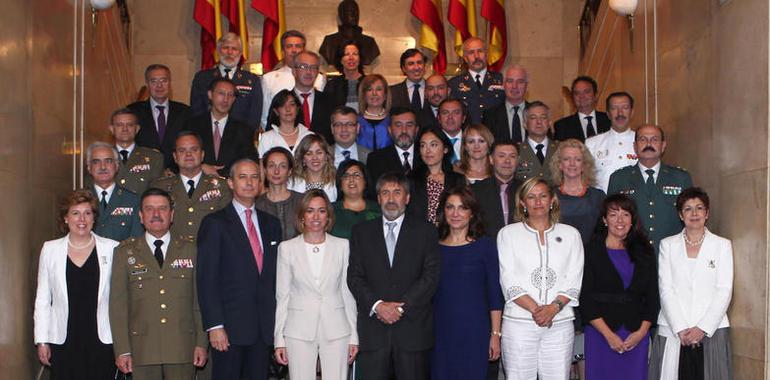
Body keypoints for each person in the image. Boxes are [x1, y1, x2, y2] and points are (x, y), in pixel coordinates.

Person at [347, 172, 441, 380]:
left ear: (407, 198)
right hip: (374, 332)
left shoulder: (426, 231)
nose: (391, 199)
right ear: (378, 198)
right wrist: (378, 305)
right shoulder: (361, 232)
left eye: (397, 192)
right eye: (385, 193)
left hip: (413, 332)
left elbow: (431, 276)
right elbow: (354, 277)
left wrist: (401, 307)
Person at [197, 159, 283, 379]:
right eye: (242, 177)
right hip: (229, 330)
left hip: (264, 329)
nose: (249, 182)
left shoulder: (271, 224)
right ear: (231, 183)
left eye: (255, 177)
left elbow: (274, 278)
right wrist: (215, 325)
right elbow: (207, 279)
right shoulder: (215, 223)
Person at [110, 188, 208, 378]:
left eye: (162, 208)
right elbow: (118, 306)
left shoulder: (190, 250)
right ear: (140, 216)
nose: (156, 214)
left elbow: (199, 302)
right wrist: (122, 350)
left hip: (182, 347)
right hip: (142, 349)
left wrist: (201, 343)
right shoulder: (124, 252)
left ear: (171, 215)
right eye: (149, 209)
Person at [497, 177, 584, 379]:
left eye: (543, 196)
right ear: (522, 203)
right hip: (519, 323)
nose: (538, 202)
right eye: (531, 197)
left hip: (559, 323)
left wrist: (553, 309)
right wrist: (537, 311)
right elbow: (508, 278)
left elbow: (574, 278)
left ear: (552, 200)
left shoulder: (571, 234)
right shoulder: (508, 234)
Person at [273, 190, 359, 380]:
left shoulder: (343, 246)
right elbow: (283, 296)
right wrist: (279, 340)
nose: (316, 216)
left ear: (328, 216)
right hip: (298, 330)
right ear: (302, 215)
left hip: (337, 329)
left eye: (321, 211)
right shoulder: (287, 249)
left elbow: (348, 293)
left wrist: (354, 335)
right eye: (310, 211)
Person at [34, 190, 119, 379]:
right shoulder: (50, 249)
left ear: (94, 218)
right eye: (75, 213)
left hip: (101, 338)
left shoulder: (112, 248)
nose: (82, 219)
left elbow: (120, 299)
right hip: (63, 338)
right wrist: (42, 340)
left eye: (87, 213)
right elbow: (42, 299)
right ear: (65, 218)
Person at [649, 187, 733, 379]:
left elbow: (724, 289)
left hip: (711, 330)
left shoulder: (722, 245)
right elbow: (666, 289)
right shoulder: (668, 245)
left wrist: (702, 328)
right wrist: (680, 327)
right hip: (675, 330)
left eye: (699, 208)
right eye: (687, 209)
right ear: (680, 214)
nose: (694, 213)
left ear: (707, 213)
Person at [579, 194, 658, 380]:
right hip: (600, 333)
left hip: (635, 334)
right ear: (605, 220)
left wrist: (641, 333)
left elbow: (653, 296)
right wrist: (608, 335)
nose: (620, 220)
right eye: (613, 215)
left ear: (633, 220)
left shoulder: (645, 251)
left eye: (625, 214)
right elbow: (585, 298)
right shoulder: (590, 250)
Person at [431, 186, 503, 379]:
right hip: (439, 331)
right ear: (443, 211)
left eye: (462, 208)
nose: (456, 213)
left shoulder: (485, 246)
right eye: (450, 207)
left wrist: (495, 334)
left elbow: (494, 294)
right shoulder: (432, 247)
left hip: (475, 331)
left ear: (471, 213)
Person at [607, 124, 693, 249]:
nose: (648, 144)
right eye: (643, 139)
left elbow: (690, 220)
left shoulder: (681, 178)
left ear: (663, 146)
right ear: (635, 146)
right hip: (632, 255)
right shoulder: (619, 178)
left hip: (670, 254)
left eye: (654, 139)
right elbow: (611, 221)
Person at [150, 131, 233, 241]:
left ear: (202, 155)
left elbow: (228, 227)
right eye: (182, 150)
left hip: (210, 252)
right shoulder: (160, 187)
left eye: (194, 150)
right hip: (172, 254)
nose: (188, 154)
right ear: (175, 157)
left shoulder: (222, 187)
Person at [184, 77, 258, 177]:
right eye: (221, 93)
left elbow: (249, 160)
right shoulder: (192, 125)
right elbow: (181, 154)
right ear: (210, 95)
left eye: (230, 95)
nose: (225, 99)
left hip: (230, 185)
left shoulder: (244, 130)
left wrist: (219, 174)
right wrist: (200, 167)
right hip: (197, 182)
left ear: (234, 99)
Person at [190, 32, 262, 131]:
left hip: (240, 138)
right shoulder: (202, 78)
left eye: (234, 49)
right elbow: (196, 112)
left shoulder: (252, 80)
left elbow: (254, 116)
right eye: (225, 48)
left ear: (240, 54)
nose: (230, 52)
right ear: (218, 51)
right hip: (208, 135)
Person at [129, 64, 191, 168]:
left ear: (170, 83)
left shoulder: (185, 112)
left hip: (176, 175)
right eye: (154, 81)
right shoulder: (133, 112)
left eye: (164, 81)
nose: (159, 85)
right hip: (143, 175)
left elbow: (188, 146)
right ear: (147, 84)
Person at [261, 30, 326, 129]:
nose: (294, 50)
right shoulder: (269, 79)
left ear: (304, 50)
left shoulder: (318, 78)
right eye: (289, 46)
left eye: (298, 46)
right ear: (283, 51)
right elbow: (265, 116)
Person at [549, 138, 605, 246]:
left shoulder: (598, 196)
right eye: (566, 159)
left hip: (591, 255)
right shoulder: (549, 196)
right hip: (558, 254)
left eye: (578, 159)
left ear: (584, 165)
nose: (572, 164)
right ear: (559, 164)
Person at [85, 141, 143, 241]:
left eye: (108, 161)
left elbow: (137, 240)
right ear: (89, 168)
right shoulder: (79, 199)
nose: (103, 167)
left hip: (121, 256)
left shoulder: (133, 200)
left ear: (117, 166)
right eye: (96, 162)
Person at [409, 127, 466, 224]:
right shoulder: (411, 179)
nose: (428, 151)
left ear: (445, 149)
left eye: (433, 145)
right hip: (420, 234)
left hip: (449, 234)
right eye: (423, 146)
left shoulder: (457, 180)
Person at [585, 92, 637, 192]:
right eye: (614, 108)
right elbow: (586, 180)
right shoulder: (592, 144)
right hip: (602, 204)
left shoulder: (642, 142)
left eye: (625, 108)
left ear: (632, 112)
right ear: (608, 114)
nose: (620, 113)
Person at [471, 140, 522, 238]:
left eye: (512, 156)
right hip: (486, 247)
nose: (507, 161)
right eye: (501, 156)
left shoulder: (526, 190)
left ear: (518, 160)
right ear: (491, 159)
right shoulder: (476, 190)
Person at [109, 108, 165, 195]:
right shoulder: (101, 157)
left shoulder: (154, 158)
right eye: (120, 125)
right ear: (112, 129)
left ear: (137, 129)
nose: (125, 129)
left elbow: (157, 193)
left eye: (130, 125)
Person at [448, 37, 504, 124]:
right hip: (468, 135)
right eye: (471, 53)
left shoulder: (501, 80)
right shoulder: (454, 84)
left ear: (487, 54)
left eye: (480, 51)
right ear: (465, 58)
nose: (476, 56)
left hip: (495, 135)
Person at [255, 147, 304, 241]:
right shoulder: (257, 205)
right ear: (264, 170)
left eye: (283, 166)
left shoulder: (302, 201)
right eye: (271, 166)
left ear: (289, 171)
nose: (276, 171)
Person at [366, 108, 424, 185]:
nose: (404, 131)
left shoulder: (426, 155)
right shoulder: (376, 160)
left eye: (409, 125)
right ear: (390, 130)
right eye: (398, 125)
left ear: (416, 130)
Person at [319, 0, 380, 66]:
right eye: (350, 12)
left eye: (356, 12)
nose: (354, 15)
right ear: (341, 15)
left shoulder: (370, 42)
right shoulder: (329, 42)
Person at [292, 51, 335, 144]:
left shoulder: (330, 101)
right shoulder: (282, 101)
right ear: (294, 71)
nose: (309, 72)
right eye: (303, 67)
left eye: (313, 68)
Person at [331, 159, 380, 239]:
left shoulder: (378, 210)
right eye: (346, 176)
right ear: (340, 184)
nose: (351, 179)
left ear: (365, 182)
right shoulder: (330, 211)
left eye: (356, 175)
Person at [257, 89, 314, 157]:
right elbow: (261, 165)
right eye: (282, 105)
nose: (288, 109)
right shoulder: (267, 138)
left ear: (297, 109)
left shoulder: (309, 136)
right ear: (276, 111)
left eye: (292, 104)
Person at [554, 76, 611, 142]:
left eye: (586, 92)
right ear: (573, 97)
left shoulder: (609, 120)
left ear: (595, 95)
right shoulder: (562, 126)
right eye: (577, 93)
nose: (581, 96)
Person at [482, 65, 529, 143]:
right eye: (510, 81)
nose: (514, 86)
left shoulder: (537, 113)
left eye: (520, 81)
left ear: (526, 86)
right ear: (503, 85)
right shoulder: (490, 115)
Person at [515, 101, 559, 183]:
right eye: (533, 118)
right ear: (524, 124)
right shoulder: (516, 151)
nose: (539, 122)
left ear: (549, 123)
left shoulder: (560, 149)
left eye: (543, 117)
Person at [288, 134, 338, 201]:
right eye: (309, 154)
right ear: (303, 159)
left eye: (319, 153)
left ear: (326, 156)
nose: (314, 157)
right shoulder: (291, 183)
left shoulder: (337, 181)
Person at [324, 40, 365, 109]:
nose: (351, 58)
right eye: (346, 54)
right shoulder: (332, 84)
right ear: (341, 60)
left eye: (355, 54)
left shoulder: (368, 83)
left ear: (360, 59)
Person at [356, 74, 393, 150]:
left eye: (379, 89)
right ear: (363, 95)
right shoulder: (356, 121)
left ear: (385, 94)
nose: (374, 93)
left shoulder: (393, 121)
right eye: (369, 89)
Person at [437, 99, 466, 164]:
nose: (450, 117)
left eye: (456, 112)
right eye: (445, 113)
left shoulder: (471, 140)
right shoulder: (432, 142)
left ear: (463, 118)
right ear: (439, 118)